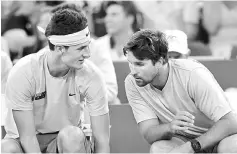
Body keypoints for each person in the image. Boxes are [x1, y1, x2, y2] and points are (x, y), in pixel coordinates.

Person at [1, 8, 110, 153]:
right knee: (6, 148)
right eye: (81, 48)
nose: (88, 54)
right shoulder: (24, 72)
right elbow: (27, 137)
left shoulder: (92, 75)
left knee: (72, 136)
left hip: (64, 140)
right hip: (23, 142)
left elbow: (102, 141)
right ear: (59, 48)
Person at [123, 29, 237, 153]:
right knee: (159, 149)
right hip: (183, 139)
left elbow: (231, 122)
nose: (133, 71)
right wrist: (169, 127)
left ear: (161, 61)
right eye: (130, 63)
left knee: (231, 146)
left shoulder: (192, 73)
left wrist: (191, 147)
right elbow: (149, 133)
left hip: (220, 137)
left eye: (140, 64)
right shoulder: (132, 82)